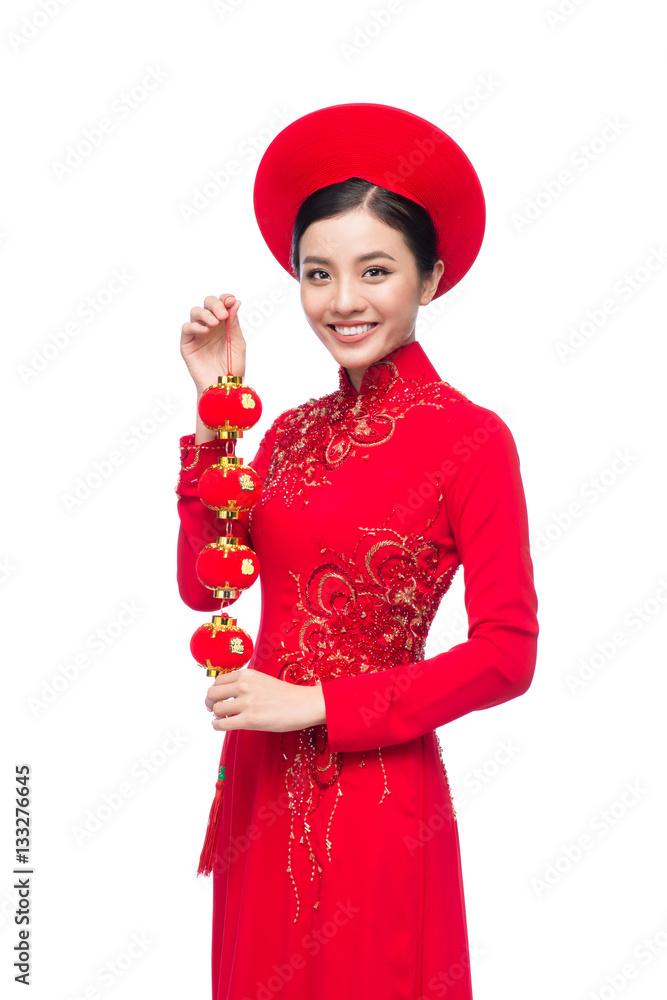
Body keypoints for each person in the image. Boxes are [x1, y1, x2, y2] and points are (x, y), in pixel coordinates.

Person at [175, 103, 539, 1000]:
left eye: (375, 271)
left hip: (377, 801)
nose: (342, 301)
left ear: (431, 277)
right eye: (317, 273)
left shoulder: (470, 440)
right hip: (258, 790)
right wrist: (214, 411)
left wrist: (313, 703)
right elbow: (203, 585)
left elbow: (507, 654)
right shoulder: (288, 433)